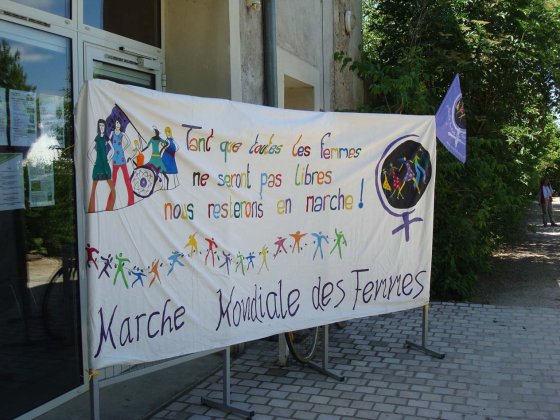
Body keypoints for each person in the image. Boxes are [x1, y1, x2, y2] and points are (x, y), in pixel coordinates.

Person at [88, 119, 116, 213]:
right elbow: (89, 153)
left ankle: (110, 209)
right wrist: (94, 163)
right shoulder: (97, 138)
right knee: (93, 188)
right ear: (98, 127)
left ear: (105, 126)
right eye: (100, 126)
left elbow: (113, 150)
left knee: (112, 188)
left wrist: (109, 159)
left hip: (105, 164)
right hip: (98, 165)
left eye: (103, 125)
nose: (101, 127)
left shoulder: (106, 138)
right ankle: (91, 210)